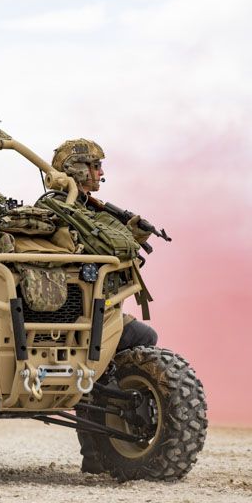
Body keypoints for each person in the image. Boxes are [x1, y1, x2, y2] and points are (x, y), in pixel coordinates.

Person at [50, 138, 158, 351]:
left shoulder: (82, 206)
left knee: (144, 336)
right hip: (78, 310)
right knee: (144, 336)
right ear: (79, 169)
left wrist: (132, 236)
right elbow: (99, 247)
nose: (101, 173)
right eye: (96, 166)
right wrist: (129, 238)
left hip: (95, 305)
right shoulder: (63, 208)